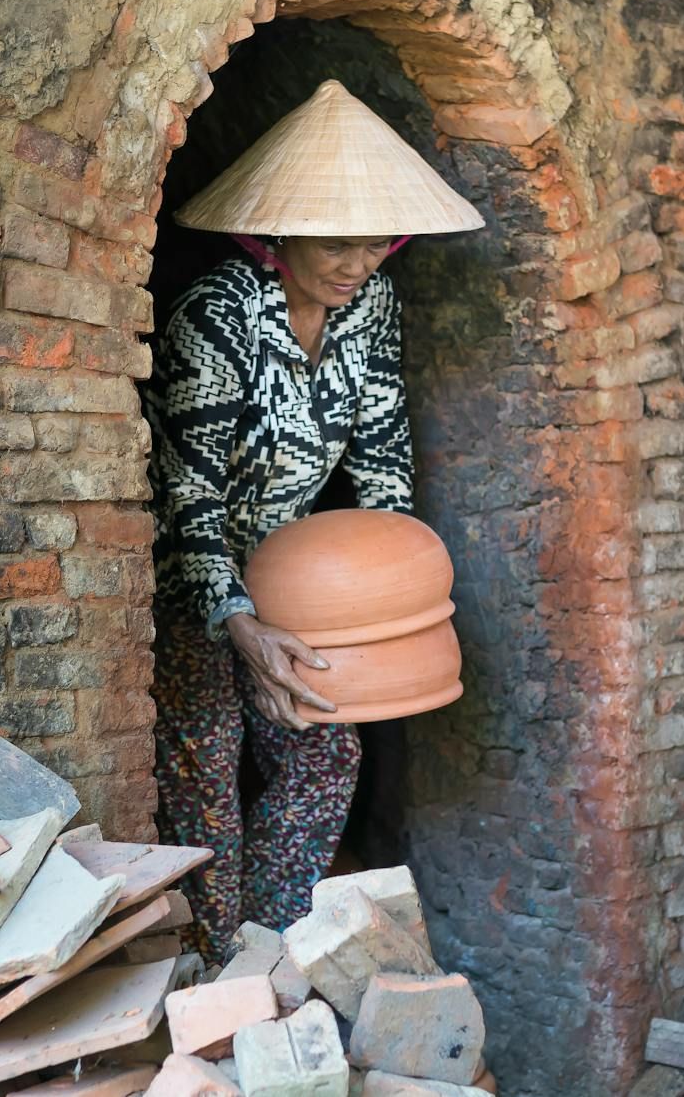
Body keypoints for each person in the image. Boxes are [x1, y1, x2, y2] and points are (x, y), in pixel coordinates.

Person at [146, 80, 484, 957]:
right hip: (186, 578)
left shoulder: (369, 307)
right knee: (205, 767)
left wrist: (386, 591)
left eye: (375, 243)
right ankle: (214, 968)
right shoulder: (216, 315)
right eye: (336, 242)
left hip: (294, 580)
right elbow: (187, 493)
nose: (357, 262)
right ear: (279, 234)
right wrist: (238, 623)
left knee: (325, 754)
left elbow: (383, 457)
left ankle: (273, 949)